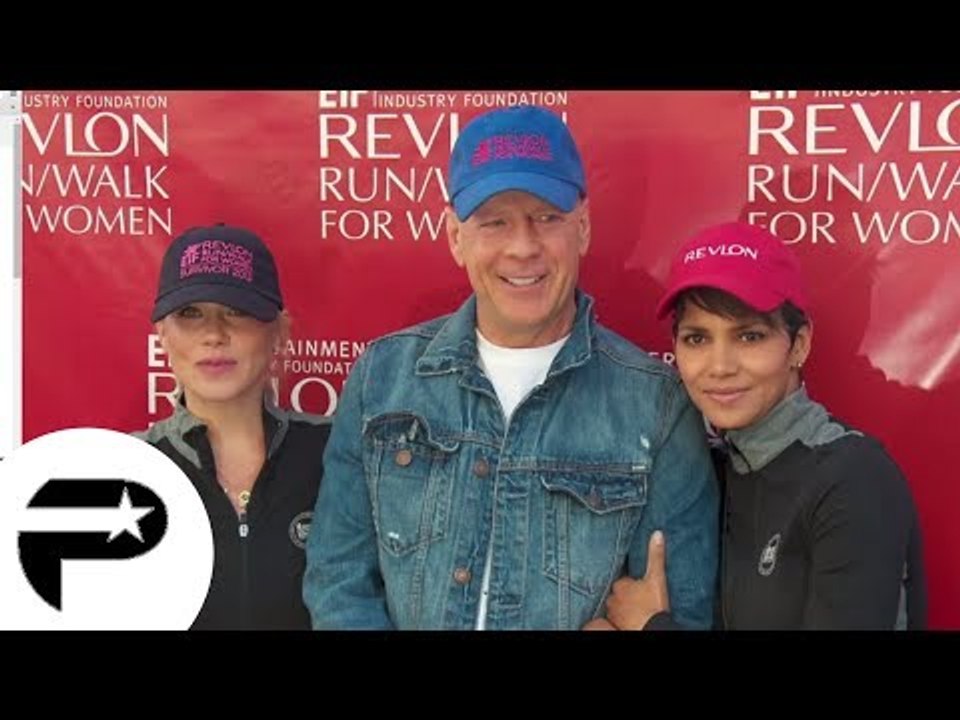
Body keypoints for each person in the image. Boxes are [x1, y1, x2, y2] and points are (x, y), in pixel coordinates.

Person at [303, 105, 719, 630]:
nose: (523, 247)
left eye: (547, 218)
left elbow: (683, 611)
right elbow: (339, 581)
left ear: (583, 227)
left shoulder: (656, 405)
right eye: (495, 222)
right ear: (456, 236)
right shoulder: (383, 378)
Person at [601, 221, 927, 630]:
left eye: (749, 337)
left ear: (799, 344)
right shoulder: (706, 469)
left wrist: (650, 626)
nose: (719, 367)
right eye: (697, 339)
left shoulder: (852, 478)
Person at [135, 223, 330, 630]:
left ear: (279, 332)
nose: (214, 334)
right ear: (163, 336)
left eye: (237, 311)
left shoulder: (337, 453)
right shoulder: (128, 468)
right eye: (190, 314)